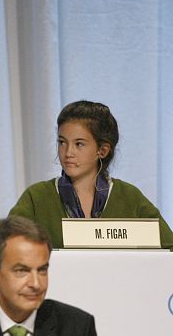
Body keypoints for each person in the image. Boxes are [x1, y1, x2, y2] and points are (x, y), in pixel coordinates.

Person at [9, 100, 172, 249]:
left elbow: (169, 249)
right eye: (62, 142)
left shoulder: (129, 197)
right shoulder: (37, 197)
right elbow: (6, 249)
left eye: (79, 144)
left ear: (102, 150)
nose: (68, 152)